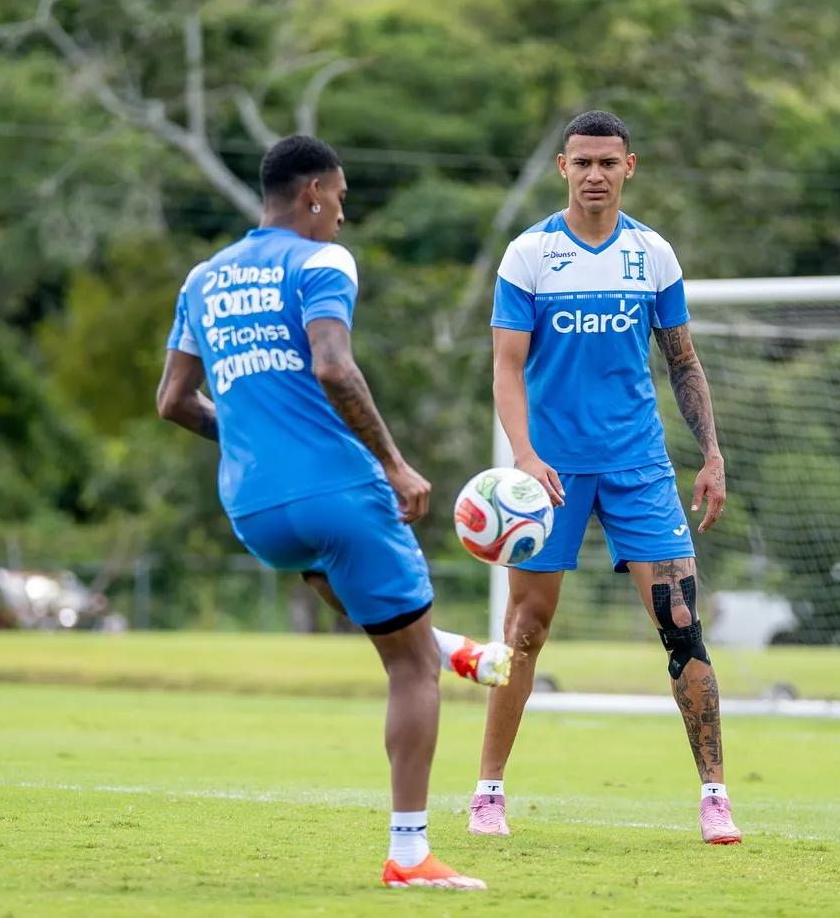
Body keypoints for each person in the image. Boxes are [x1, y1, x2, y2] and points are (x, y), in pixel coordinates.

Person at [157, 134, 504, 889]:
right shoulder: (321, 261)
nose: (342, 215)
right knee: (410, 668)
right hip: (337, 493)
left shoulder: (201, 279)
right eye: (341, 198)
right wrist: (395, 464)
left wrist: (246, 435)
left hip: (253, 509)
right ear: (313, 192)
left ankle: (452, 646)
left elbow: (173, 402)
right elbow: (333, 365)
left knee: (353, 594)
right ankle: (409, 854)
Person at [469, 110, 742, 845]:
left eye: (608, 163)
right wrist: (525, 454)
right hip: (550, 472)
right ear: (563, 167)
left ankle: (716, 796)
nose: (595, 174)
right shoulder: (529, 255)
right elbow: (506, 368)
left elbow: (683, 361)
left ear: (630, 167)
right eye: (583, 162)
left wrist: (712, 453)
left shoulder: (653, 255)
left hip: (639, 467)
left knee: (682, 624)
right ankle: (488, 792)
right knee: (526, 630)